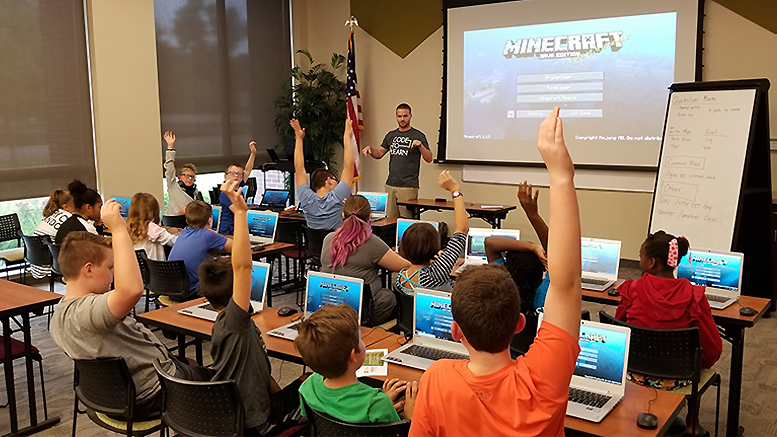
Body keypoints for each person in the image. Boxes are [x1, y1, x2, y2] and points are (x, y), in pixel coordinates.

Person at [409, 107, 583, 437]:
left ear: (456, 331)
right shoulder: (543, 381)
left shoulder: (437, 379)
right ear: (519, 324)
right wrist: (561, 175)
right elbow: (567, 282)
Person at [49, 200, 212, 421]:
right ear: (88, 269)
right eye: (109, 267)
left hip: (118, 397)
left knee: (190, 364)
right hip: (150, 395)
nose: (113, 274)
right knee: (228, 384)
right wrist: (117, 228)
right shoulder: (86, 312)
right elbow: (131, 291)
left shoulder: (58, 317)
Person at [199, 181, 306, 436]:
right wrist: (240, 213)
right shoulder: (234, 322)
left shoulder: (224, 324)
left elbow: (258, 370)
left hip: (245, 409)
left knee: (302, 383)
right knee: (314, 385)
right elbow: (243, 267)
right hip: (254, 423)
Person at [616, 230, 722, 436]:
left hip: (635, 374)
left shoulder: (632, 290)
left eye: (640, 256)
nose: (639, 260)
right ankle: (692, 424)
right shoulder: (694, 296)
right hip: (680, 377)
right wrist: (698, 365)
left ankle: (650, 412)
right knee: (693, 358)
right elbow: (712, 347)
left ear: (652, 262)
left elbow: (618, 330)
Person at [295, 304, 418, 423]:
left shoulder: (308, 386)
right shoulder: (376, 405)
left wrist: (382, 400)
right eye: (360, 339)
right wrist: (410, 418)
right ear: (353, 355)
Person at [321, 195, 410, 325]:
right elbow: (405, 266)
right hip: (362, 311)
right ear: (370, 217)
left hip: (330, 305)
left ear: (343, 215)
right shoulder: (371, 242)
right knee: (390, 296)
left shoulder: (329, 239)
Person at [395, 170, 468, 294]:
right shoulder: (436, 273)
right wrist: (455, 190)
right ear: (434, 247)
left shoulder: (401, 276)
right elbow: (462, 230)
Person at [362, 103, 432, 219]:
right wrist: (371, 149)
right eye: (399, 116)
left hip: (408, 186)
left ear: (410, 116)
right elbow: (379, 153)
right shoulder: (391, 135)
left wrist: (420, 146)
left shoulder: (418, 135)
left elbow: (429, 158)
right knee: (389, 220)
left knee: (407, 220)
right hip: (391, 184)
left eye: (405, 116)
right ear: (396, 117)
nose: (402, 119)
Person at [292, 119, 355, 231]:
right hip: (334, 247)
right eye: (336, 180)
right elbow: (349, 167)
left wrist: (298, 137)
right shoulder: (337, 197)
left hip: (312, 249)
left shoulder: (306, 199)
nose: (337, 182)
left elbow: (299, 169)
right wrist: (346, 136)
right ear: (329, 180)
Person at [168, 200, 232, 300]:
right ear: (209, 221)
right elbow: (236, 246)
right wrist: (216, 236)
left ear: (187, 221)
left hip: (172, 290)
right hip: (192, 293)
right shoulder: (208, 235)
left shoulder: (184, 231)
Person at [31, 189, 74, 278]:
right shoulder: (68, 219)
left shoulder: (50, 216)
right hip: (52, 266)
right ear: (65, 207)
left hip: (36, 264)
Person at [217, 141, 257, 235]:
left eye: (239, 174)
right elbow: (239, 211)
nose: (236, 175)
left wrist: (253, 153)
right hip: (227, 231)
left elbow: (247, 169)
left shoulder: (239, 187)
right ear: (226, 176)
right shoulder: (226, 192)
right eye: (232, 173)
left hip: (236, 228)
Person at [127, 193, 177, 261]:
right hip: (158, 270)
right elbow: (174, 242)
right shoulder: (152, 228)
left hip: (140, 270)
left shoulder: (130, 228)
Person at [163, 131, 203, 216]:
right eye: (187, 176)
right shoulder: (173, 186)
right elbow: (169, 168)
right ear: (179, 177)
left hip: (191, 223)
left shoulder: (195, 193)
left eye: (192, 177)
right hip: (174, 223)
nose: (189, 179)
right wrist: (170, 147)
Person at [54, 180, 105, 244]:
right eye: (99, 207)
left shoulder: (68, 224)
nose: (101, 210)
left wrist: (98, 223)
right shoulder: (86, 229)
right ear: (88, 208)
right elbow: (101, 248)